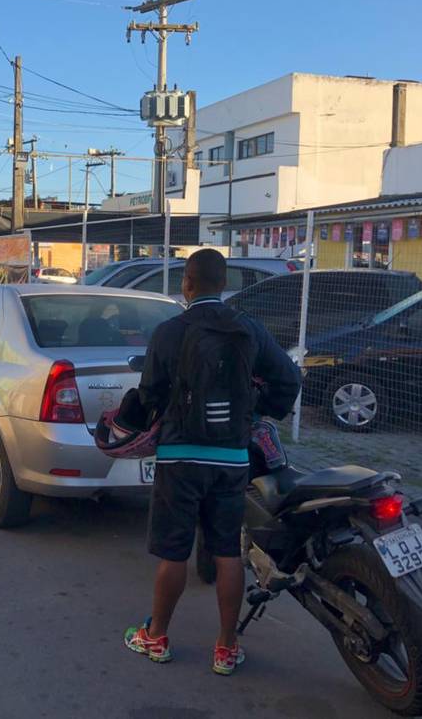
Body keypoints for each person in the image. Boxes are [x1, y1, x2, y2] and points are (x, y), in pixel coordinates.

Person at [123, 248, 301, 675]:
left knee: (174, 552)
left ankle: (156, 637)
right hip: (232, 458)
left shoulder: (168, 332)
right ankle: (225, 647)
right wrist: (256, 412)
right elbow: (288, 378)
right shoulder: (249, 330)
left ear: (186, 283)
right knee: (226, 552)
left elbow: (149, 395)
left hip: (180, 457)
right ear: (224, 285)